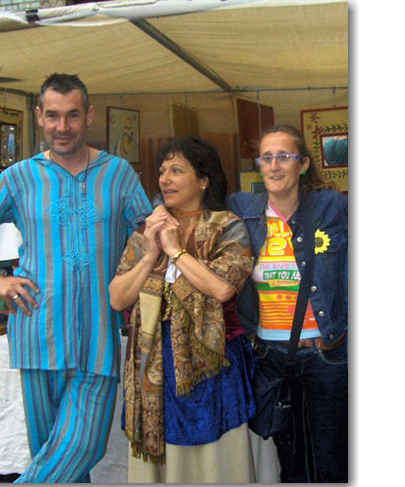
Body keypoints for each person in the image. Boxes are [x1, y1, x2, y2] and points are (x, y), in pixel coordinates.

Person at [0, 73, 152, 483]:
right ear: (39, 116)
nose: (63, 126)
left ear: (88, 116)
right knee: (55, 456)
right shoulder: (19, 177)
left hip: (99, 337)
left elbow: (149, 232)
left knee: (83, 446)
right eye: (53, 116)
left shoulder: (118, 174)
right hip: (37, 332)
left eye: (72, 115)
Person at [109, 137, 257, 482]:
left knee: (213, 463)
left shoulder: (228, 226)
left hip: (211, 364)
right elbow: (118, 298)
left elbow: (222, 288)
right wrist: (150, 255)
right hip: (155, 364)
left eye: (176, 171)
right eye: (162, 171)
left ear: (203, 180)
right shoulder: (149, 231)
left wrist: (175, 251)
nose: (165, 179)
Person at [228, 125, 348, 483]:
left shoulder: (332, 208)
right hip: (272, 357)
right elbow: (196, 203)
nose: (274, 165)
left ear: (304, 164)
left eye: (284, 156)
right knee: (290, 462)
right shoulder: (244, 210)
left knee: (332, 462)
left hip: (326, 352)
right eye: (266, 157)